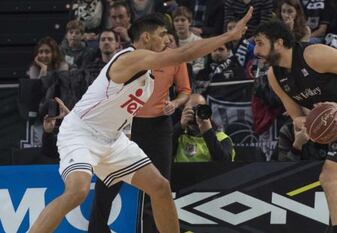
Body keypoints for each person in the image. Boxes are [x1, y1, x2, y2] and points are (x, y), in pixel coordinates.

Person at [28, 7, 253, 233]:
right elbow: (183, 55)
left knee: (160, 187)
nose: (167, 39)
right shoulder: (131, 58)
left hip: (113, 138)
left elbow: (112, 103)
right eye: (162, 34)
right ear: (147, 37)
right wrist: (228, 36)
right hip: (82, 134)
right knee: (78, 191)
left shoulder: (146, 74)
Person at [253, 20, 337, 233]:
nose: (256, 50)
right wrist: (307, 122)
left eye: (260, 43)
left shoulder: (313, 55)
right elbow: (297, 116)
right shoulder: (274, 76)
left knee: (329, 176)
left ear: (278, 43)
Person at [88, 30, 191, 233]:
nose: (165, 43)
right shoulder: (134, 57)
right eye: (163, 38)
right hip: (127, 126)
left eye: (168, 40)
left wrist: (176, 102)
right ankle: (96, 230)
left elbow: (185, 90)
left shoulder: (176, 60)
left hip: (159, 128)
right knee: (107, 183)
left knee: (160, 187)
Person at [173, 94, 235, 162]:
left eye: (200, 109)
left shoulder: (222, 138)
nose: (196, 115)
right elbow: (162, 153)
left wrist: (208, 132)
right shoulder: (178, 137)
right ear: (183, 111)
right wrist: (180, 126)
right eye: (192, 109)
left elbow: (226, 165)